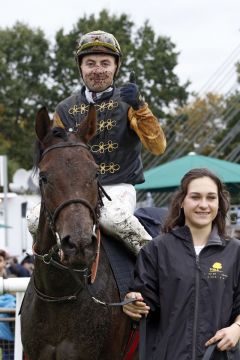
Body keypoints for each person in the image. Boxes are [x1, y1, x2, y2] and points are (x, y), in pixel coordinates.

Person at [27, 30, 166, 255]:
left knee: (115, 220)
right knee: (34, 218)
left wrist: (140, 107)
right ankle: (42, 263)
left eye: (105, 63)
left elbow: (158, 147)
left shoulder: (130, 103)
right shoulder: (64, 108)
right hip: (76, 189)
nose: (98, 70)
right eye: (90, 63)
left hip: (118, 187)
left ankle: (155, 262)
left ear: (115, 67)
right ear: (81, 68)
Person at [123, 168, 240, 359]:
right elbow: (143, 305)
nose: (203, 204)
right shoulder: (156, 250)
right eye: (195, 197)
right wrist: (133, 303)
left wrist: (237, 329)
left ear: (219, 204)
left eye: (211, 197)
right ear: (182, 202)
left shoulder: (235, 252)